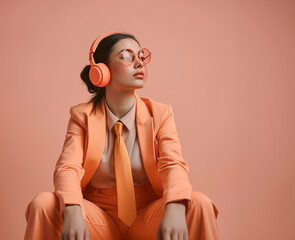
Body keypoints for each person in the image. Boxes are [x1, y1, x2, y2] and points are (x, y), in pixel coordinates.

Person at [24, 31, 220, 240]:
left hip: (147, 216)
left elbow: (172, 164)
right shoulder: (82, 116)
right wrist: (72, 209)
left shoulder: (161, 113)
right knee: (43, 204)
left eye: (141, 56)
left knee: (198, 203)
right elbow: (68, 167)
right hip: (97, 219)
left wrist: (175, 204)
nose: (139, 63)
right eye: (127, 56)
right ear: (101, 71)